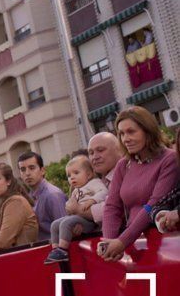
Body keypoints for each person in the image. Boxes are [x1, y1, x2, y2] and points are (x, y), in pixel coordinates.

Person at [99, 107, 179, 261]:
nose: (125, 139)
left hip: (165, 247)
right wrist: (109, 242)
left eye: (131, 132)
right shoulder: (123, 164)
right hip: (135, 247)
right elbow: (112, 206)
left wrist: (122, 242)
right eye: (121, 133)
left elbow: (154, 204)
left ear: (148, 131)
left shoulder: (169, 159)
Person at [44, 156, 109, 264]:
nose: (72, 177)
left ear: (88, 174)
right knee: (55, 224)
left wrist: (92, 200)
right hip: (78, 219)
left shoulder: (94, 183)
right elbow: (71, 208)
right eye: (69, 176)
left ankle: (63, 250)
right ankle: (56, 250)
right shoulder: (75, 191)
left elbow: (104, 192)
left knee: (66, 222)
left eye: (76, 173)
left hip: (90, 221)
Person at [17, 151, 67, 241]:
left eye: (32, 168)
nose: (27, 173)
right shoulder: (29, 196)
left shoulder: (53, 195)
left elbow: (64, 231)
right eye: (23, 169)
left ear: (42, 170)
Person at [83, 132, 124, 226]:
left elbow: (115, 209)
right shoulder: (96, 181)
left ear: (120, 150)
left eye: (100, 150)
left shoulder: (127, 173)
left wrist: (79, 210)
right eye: (91, 153)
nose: (95, 157)